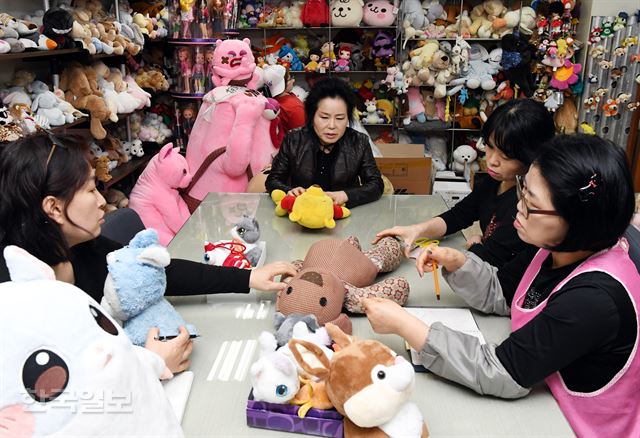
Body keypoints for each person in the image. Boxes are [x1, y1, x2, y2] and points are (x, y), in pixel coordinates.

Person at [364, 134, 639, 436]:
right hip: (542, 404)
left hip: (575, 426)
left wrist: (404, 325)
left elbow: (503, 371)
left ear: (576, 220)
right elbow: (503, 292)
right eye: (523, 192)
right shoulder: (554, 246)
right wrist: (457, 262)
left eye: (531, 204)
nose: (518, 208)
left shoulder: (593, 300)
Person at [0, 131, 297, 374]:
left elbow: (158, 271)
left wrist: (248, 278)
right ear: (54, 208)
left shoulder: (79, 248)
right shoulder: (14, 297)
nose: (103, 201)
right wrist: (146, 366)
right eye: (91, 191)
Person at [374, 99, 555, 268]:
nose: (491, 161)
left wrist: (477, 244)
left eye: (505, 156)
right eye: (489, 147)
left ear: (531, 156)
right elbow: (459, 215)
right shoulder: (496, 179)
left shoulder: (525, 205)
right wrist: (416, 230)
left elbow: (490, 259)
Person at [265, 77, 384, 208]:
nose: (332, 125)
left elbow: (376, 184)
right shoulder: (294, 139)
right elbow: (273, 180)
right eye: (324, 117)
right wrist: (289, 191)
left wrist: (346, 195)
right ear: (312, 116)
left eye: (340, 118)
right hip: (301, 213)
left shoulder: (358, 141)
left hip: (343, 213)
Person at [262, 65, 305, 133]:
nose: (293, 80)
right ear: (284, 84)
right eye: (290, 78)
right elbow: (303, 136)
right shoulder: (294, 108)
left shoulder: (272, 103)